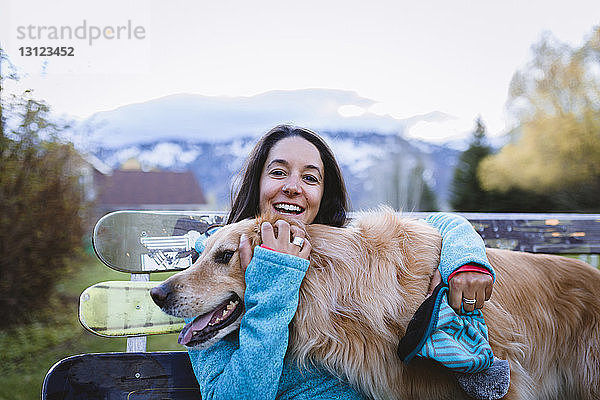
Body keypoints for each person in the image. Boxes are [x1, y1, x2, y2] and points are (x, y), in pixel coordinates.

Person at [187, 124, 504, 399]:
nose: (293, 187)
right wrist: (273, 283)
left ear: (323, 195)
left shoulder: (339, 254)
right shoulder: (208, 279)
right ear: (257, 182)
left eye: (310, 178)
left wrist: (466, 264)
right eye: (278, 172)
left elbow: (444, 225)